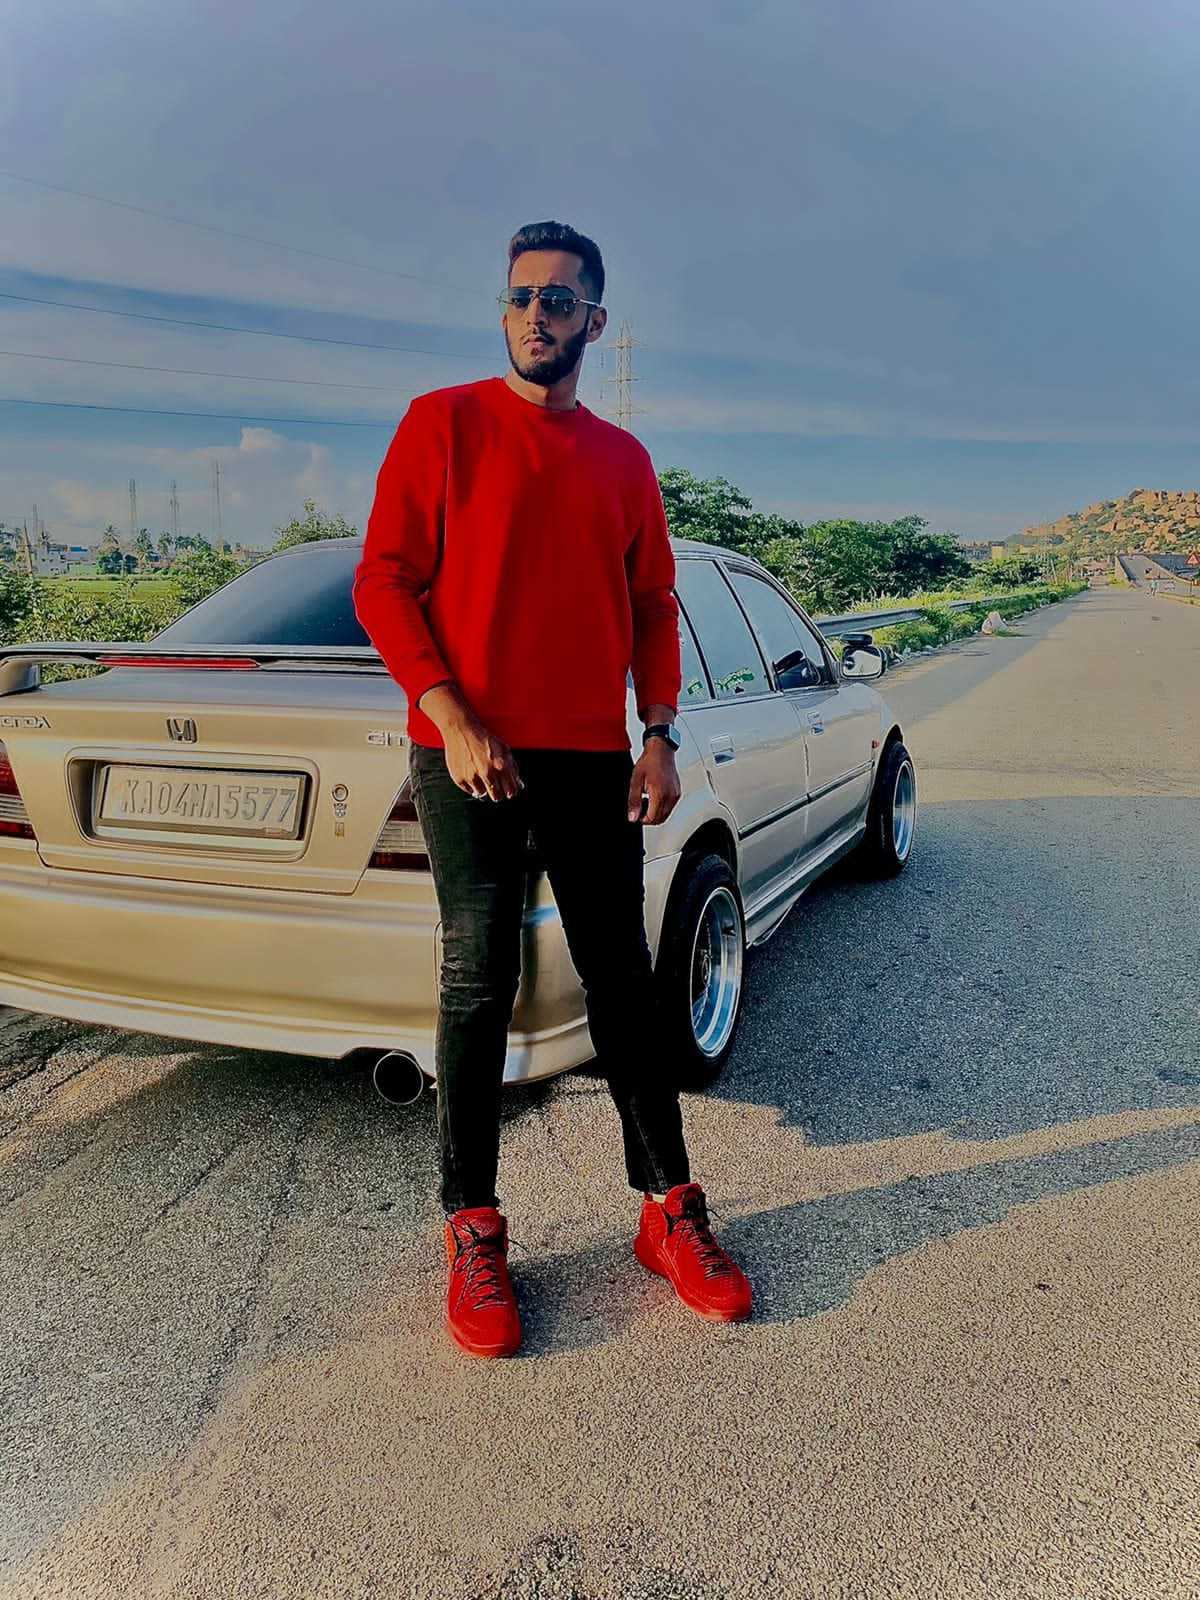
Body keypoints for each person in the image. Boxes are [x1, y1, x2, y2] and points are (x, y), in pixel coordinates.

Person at [352, 221, 752, 1358]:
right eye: (523, 296)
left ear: (595, 322)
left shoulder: (623, 461)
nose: (539, 314)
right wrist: (451, 715)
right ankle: (473, 1228)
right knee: (477, 980)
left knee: (621, 977)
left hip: (588, 756)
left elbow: (653, 606)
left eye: (561, 299)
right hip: (467, 752)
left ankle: (669, 1210)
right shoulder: (442, 423)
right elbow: (384, 582)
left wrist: (659, 733)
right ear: (504, 312)